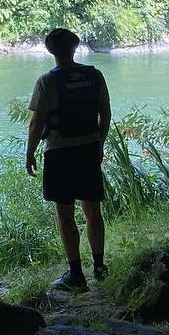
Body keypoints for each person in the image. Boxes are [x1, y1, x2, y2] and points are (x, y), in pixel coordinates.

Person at [25, 28, 111, 290]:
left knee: (65, 213)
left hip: (59, 152)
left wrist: (29, 153)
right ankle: (99, 267)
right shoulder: (94, 76)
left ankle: (76, 274)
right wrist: (100, 143)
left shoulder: (47, 81)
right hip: (88, 150)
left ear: (51, 50)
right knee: (93, 211)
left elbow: (36, 123)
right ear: (75, 47)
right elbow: (105, 113)